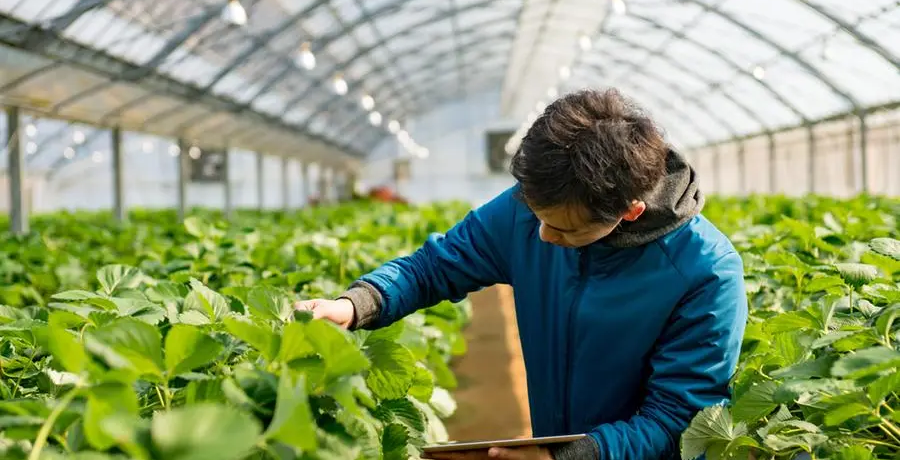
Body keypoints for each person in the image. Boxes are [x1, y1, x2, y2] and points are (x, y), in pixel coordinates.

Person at [294, 88, 748, 460]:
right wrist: (355, 304)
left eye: (565, 229)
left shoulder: (704, 272)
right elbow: (436, 265)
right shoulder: (526, 210)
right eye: (537, 217)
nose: (543, 236)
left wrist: (566, 457)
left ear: (629, 212)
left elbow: (678, 419)